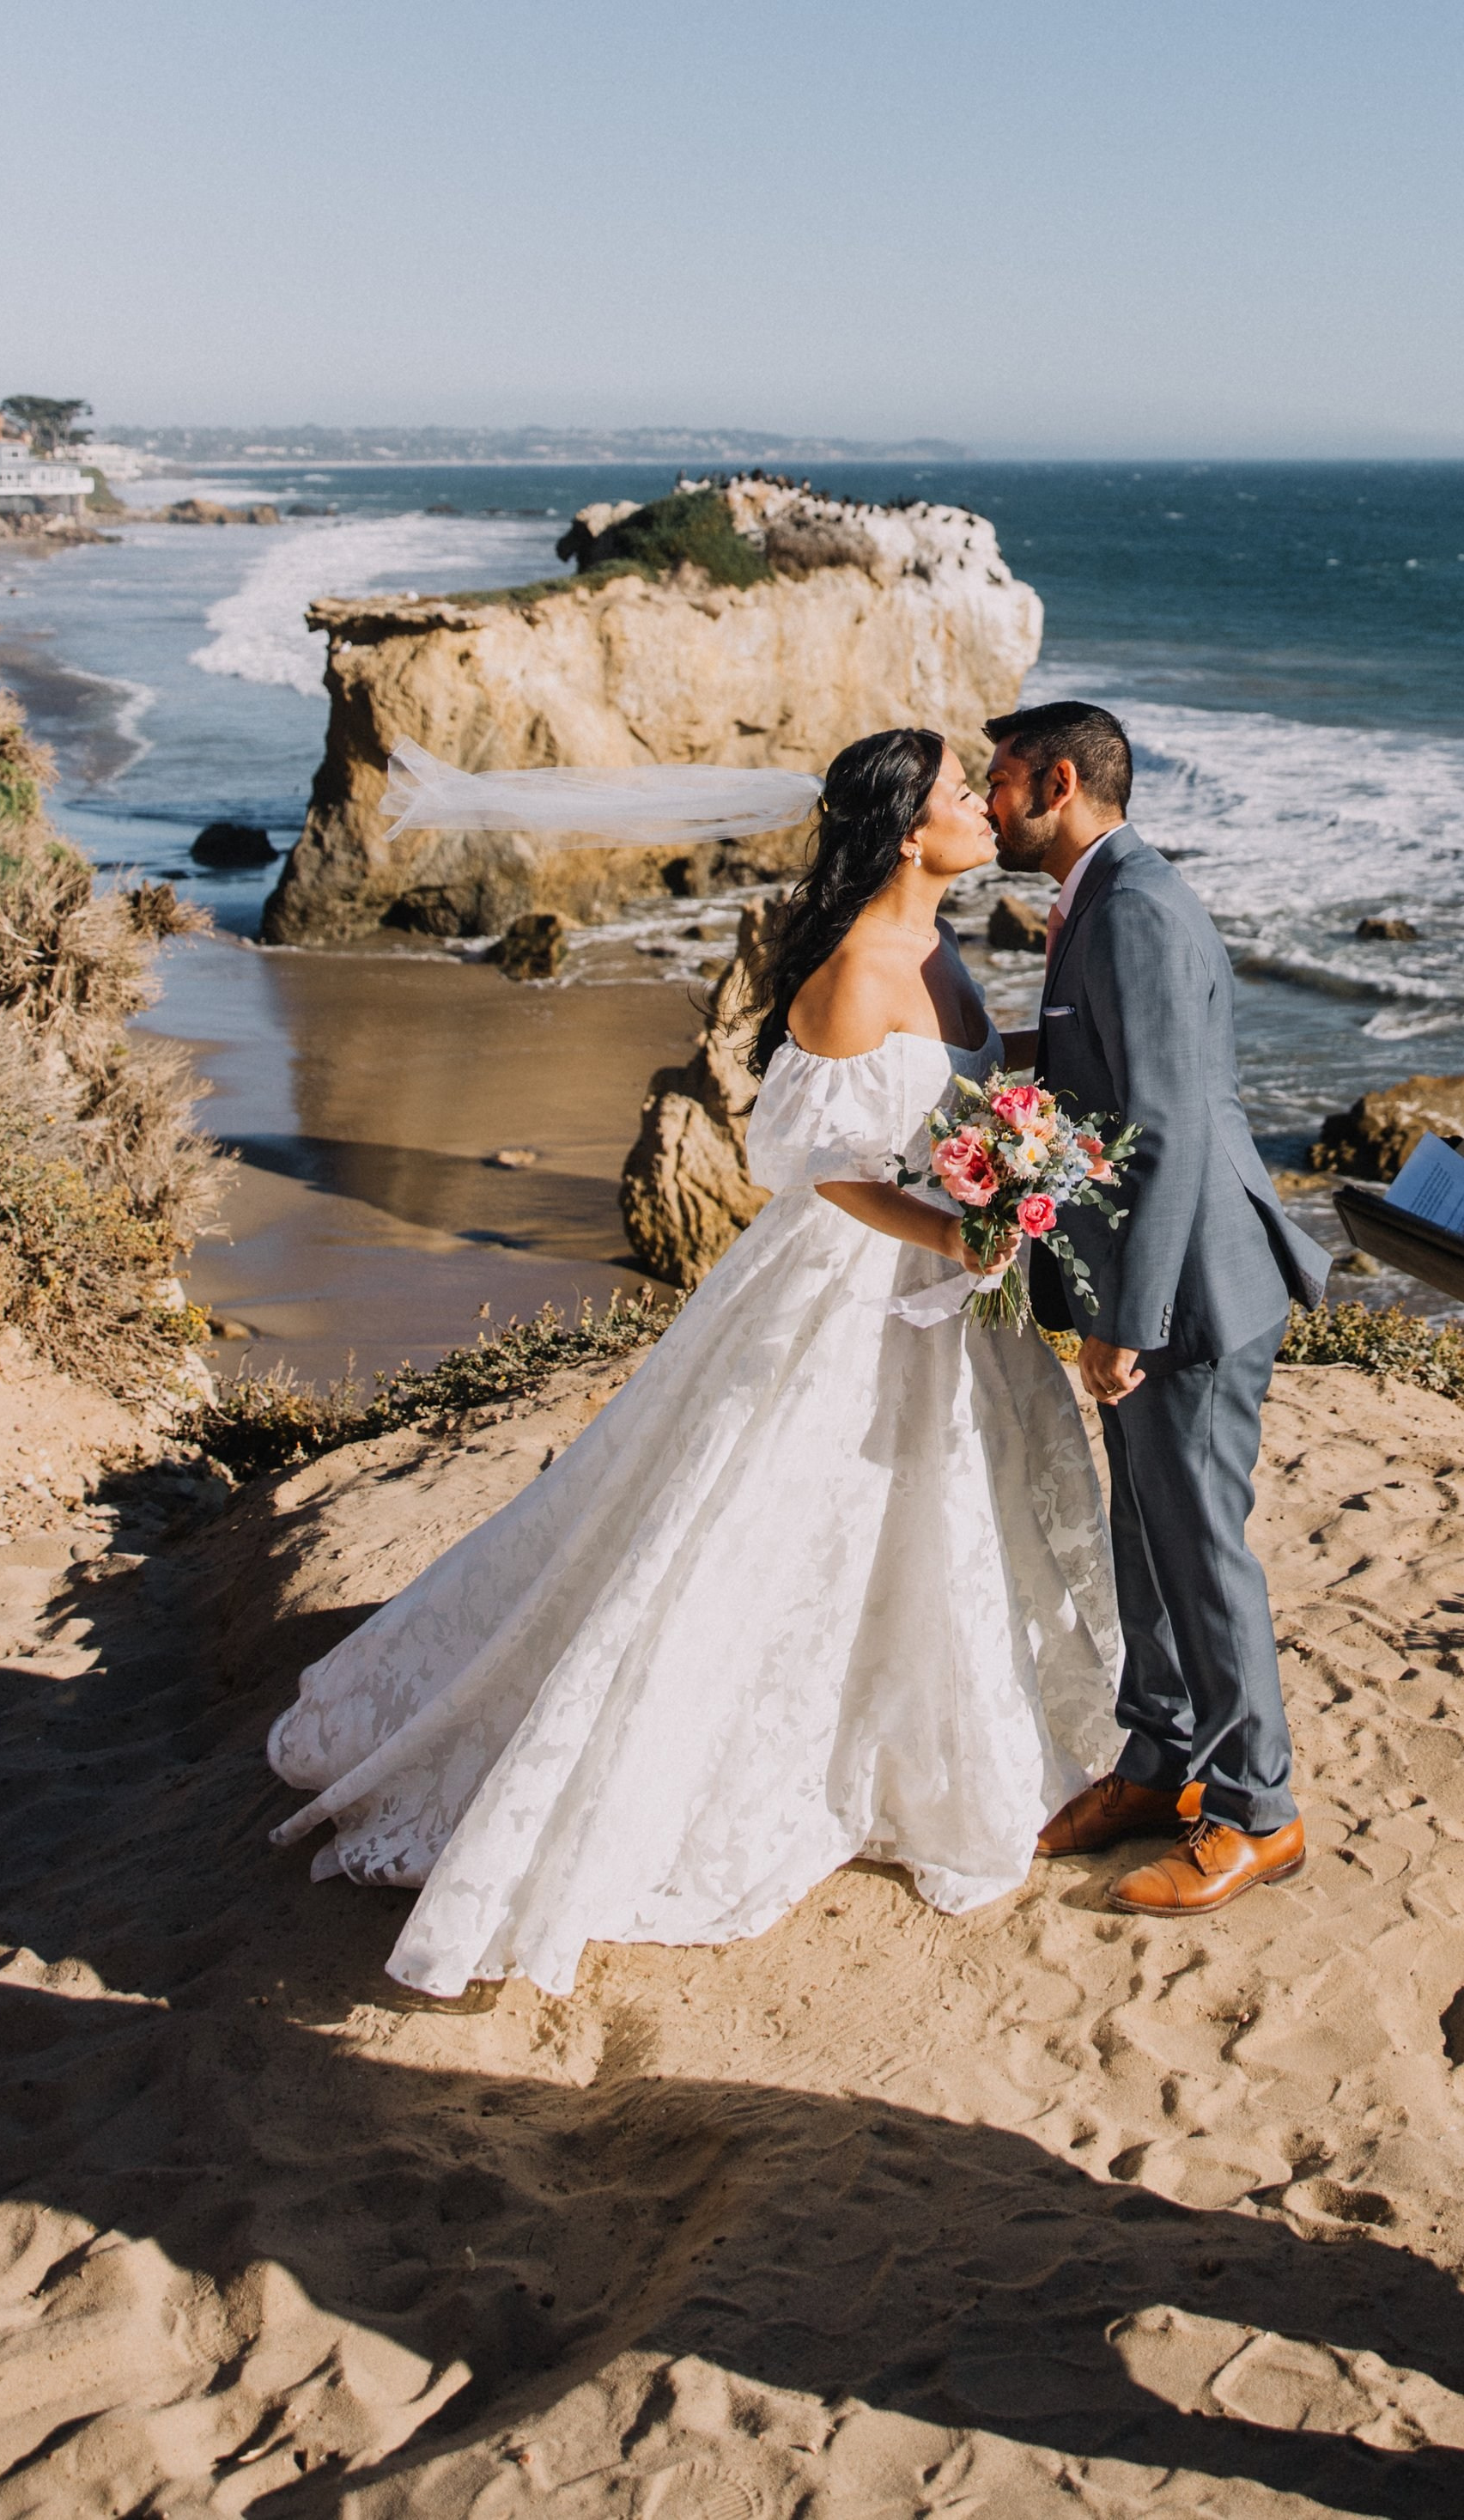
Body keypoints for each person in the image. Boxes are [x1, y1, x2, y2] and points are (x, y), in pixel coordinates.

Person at [267, 730, 1121, 1995]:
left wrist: (1027, 1159)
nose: (982, 808)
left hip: (949, 1296)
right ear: (903, 831)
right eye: (956, 794)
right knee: (765, 1524)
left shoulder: (948, 950)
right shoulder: (850, 969)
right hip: (849, 1292)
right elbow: (818, 1166)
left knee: (936, 1520)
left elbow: (970, 1103)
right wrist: (960, 1227)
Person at [983, 699, 1330, 1917]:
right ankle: (1160, 1758)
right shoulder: (1100, 897)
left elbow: (1173, 1125)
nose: (985, 798)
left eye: (1001, 778)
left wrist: (1125, 1315)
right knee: (1147, 1535)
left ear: (1059, 782)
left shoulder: (1137, 910)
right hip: (1149, 1279)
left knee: (1201, 1546)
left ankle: (1257, 1810)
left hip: (1190, 1287)